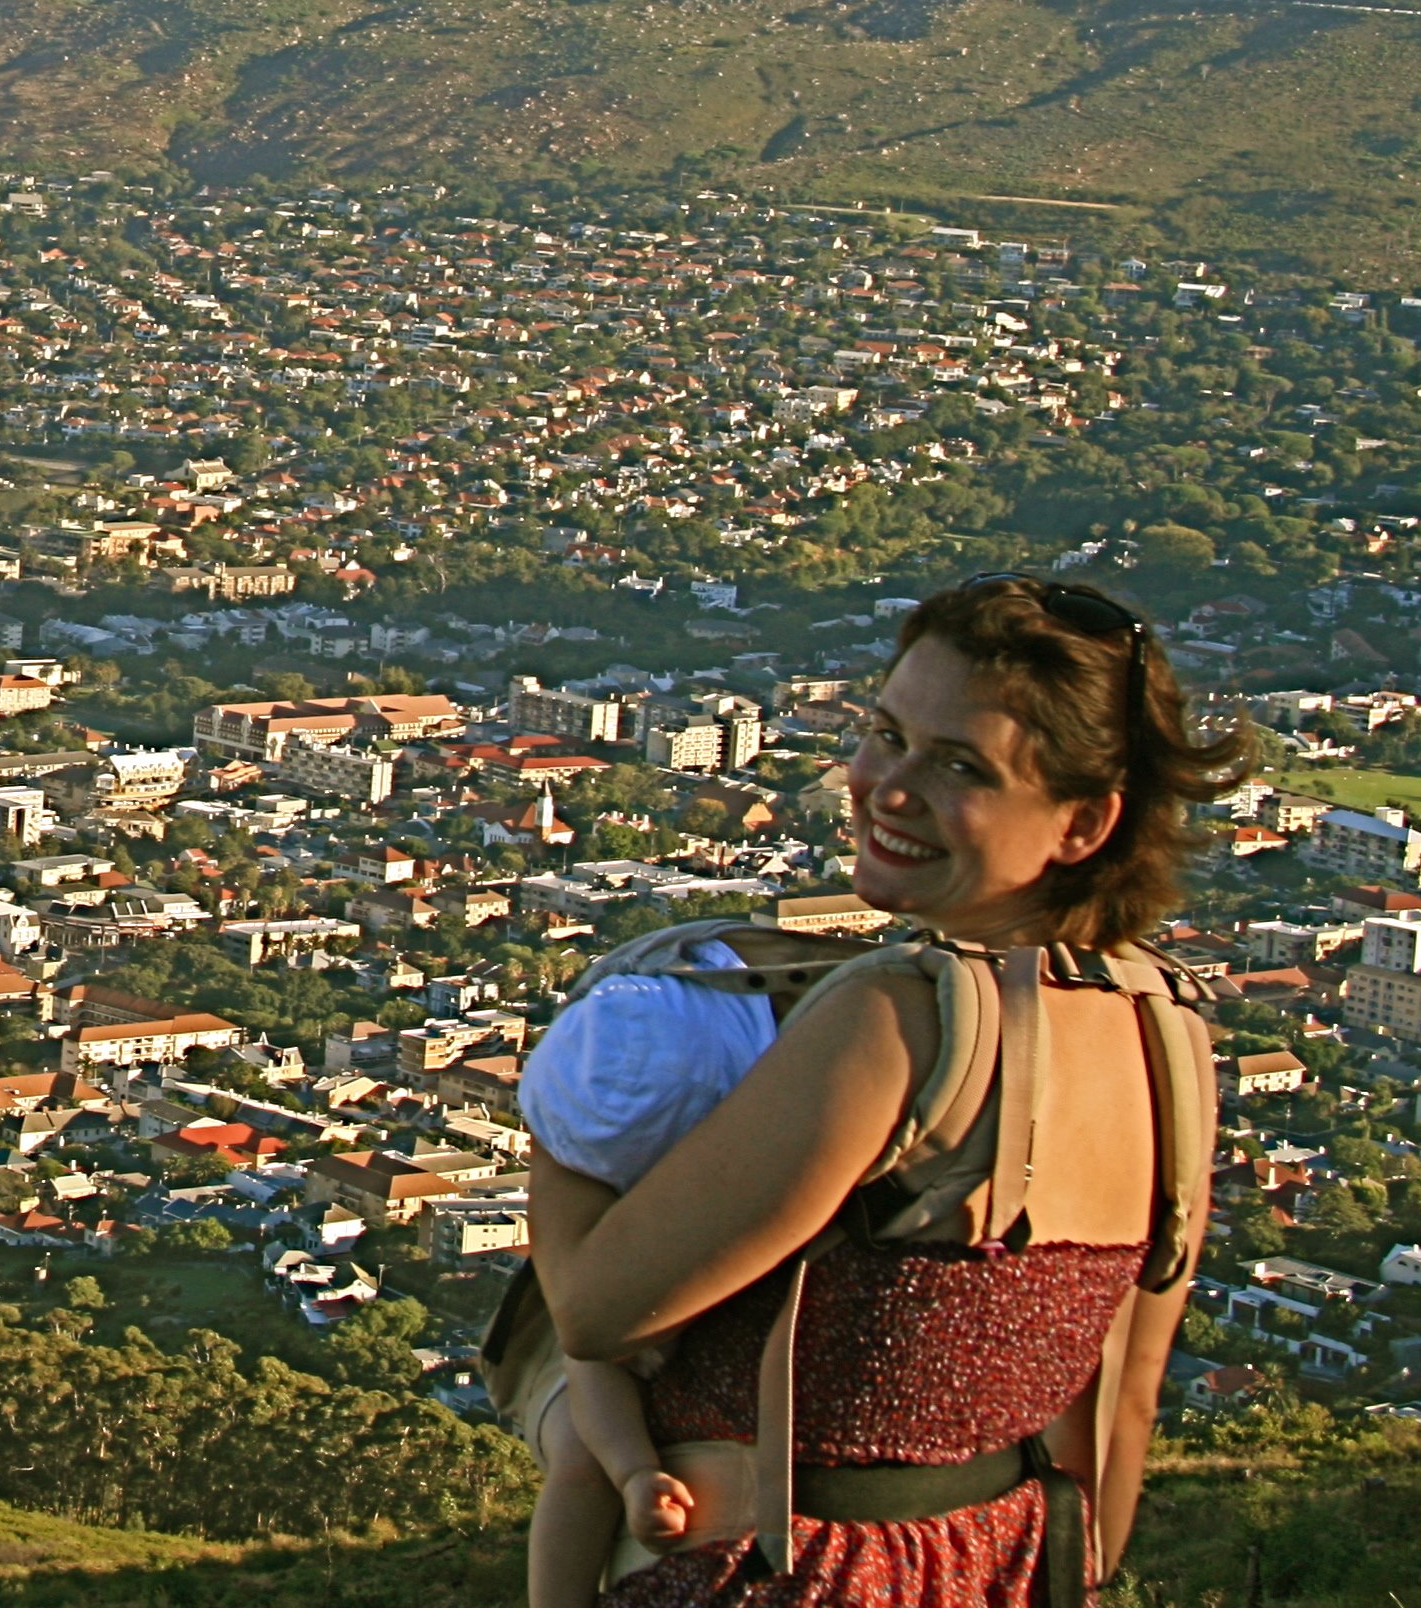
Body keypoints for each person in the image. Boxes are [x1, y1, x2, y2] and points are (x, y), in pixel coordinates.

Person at [528, 574, 1240, 1608]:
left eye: (960, 767)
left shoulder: (897, 1020)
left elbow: (596, 1314)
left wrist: (568, 1124)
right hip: (1001, 1567)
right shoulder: (1166, 1032)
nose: (886, 787)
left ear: (1083, 823)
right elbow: (1123, 1404)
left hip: (779, 1573)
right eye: (886, 733)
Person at [512, 942, 780, 1608]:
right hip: (630, 1325)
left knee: (583, 1448)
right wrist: (634, 1469)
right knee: (585, 1452)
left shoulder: (594, 1137)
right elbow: (589, 1337)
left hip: (688, 1333)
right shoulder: (763, 1134)